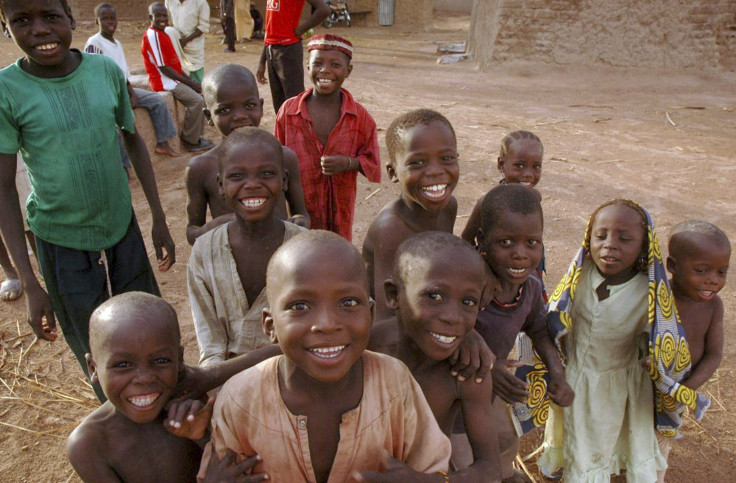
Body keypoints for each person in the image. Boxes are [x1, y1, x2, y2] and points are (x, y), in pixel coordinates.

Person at [0, 0, 175, 401]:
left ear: (72, 20)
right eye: (21, 21)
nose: (39, 30)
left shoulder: (105, 72)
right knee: (90, 338)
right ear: (6, 28)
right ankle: (118, 413)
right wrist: (30, 282)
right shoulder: (7, 91)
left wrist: (158, 219)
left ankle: (162, 404)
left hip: (120, 225)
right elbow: (3, 187)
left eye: (51, 17)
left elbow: (131, 137)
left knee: (146, 320)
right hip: (59, 239)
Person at [197, 230, 452, 481]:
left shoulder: (394, 383)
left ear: (371, 315)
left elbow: (435, 470)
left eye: (348, 303)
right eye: (300, 306)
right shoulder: (239, 400)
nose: (327, 324)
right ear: (270, 326)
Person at [538, 200, 710, 482]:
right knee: (576, 446)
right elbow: (554, 319)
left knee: (611, 447)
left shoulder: (648, 294)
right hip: (575, 382)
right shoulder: (578, 279)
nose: (610, 245)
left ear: (644, 246)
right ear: (588, 238)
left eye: (625, 238)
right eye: (600, 235)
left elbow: (667, 344)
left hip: (620, 390)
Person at [370, 232, 503, 482]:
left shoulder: (466, 372)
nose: (452, 316)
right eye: (434, 296)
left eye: (468, 301)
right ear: (393, 295)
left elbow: (490, 467)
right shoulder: (368, 346)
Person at [468, 184, 573, 482]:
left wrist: (557, 372)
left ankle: (501, 474)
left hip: (488, 386)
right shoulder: (470, 282)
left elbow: (538, 328)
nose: (520, 254)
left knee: (504, 439)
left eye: (532, 243)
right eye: (506, 242)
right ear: (482, 241)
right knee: (461, 452)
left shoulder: (530, 287)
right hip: (449, 383)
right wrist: (490, 365)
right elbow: (452, 330)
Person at [188, 128, 306, 367]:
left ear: (283, 180)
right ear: (220, 185)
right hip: (225, 377)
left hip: (296, 371)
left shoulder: (307, 249)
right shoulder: (204, 252)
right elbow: (211, 348)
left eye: (266, 173)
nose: (252, 185)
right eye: (237, 176)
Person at [66, 292, 206, 481]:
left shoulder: (192, 407)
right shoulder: (89, 445)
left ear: (179, 360)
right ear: (93, 368)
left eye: (161, 360)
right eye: (123, 365)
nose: (144, 379)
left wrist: (202, 436)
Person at [186, 63, 310, 246]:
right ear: (208, 116)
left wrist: (299, 223)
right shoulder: (201, 167)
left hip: (281, 256)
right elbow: (192, 232)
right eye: (225, 110)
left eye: (249, 105)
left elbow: (301, 214)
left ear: (260, 106)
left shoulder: (284, 157)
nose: (239, 116)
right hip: (231, 259)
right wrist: (215, 227)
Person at [275, 34, 380, 241]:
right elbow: (275, 160)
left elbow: (373, 163)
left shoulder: (360, 117)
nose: (325, 70)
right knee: (299, 253)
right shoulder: (288, 112)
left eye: (335, 64)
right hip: (299, 211)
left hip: (340, 210)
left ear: (348, 71)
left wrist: (348, 163)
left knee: (337, 254)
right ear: (307, 67)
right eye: (318, 63)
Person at [363, 109, 459, 321]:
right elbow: (386, 316)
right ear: (392, 173)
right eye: (417, 163)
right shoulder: (391, 228)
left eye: (447, 158)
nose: (435, 171)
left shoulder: (448, 207)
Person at [656, 220, 730, 482]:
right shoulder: (658, 299)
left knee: (661, 438)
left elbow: (714, 353)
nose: (713, 280)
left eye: (722, 272)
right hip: (644, 383)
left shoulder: (713, 307)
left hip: (679, 388)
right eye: (701, 270)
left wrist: (689, 387)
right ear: (672, 266)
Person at [85, 2, 180, 159]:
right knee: (122, 124)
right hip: (106, 93)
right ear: (97, 21)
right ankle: (124, 167)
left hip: (121, 89)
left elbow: (123, 75)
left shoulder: (117, 43)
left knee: (157, 101)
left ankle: (163, 143)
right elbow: (92, 76)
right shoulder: (94, 43)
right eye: (105, 19)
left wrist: (131, 93)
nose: (110, 22)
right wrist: (122, 97)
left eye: (112, 18)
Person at [141, 1, 212, 153]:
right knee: (197, 101)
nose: (162, 19)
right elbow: (164, 68)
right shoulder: (153, 35)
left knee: (201, 95)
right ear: (150, 17)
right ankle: (189, 140)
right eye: (158, 16)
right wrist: (189, 83)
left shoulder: (163, 34)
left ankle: (196, 136)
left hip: (172, 80)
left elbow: (174, 66)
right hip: (164, 82)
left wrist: (191, 81)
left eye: (164, 15)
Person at [256, 0, 329, 114]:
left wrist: (301, 29)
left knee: (294, 101)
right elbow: (270, 30)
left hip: (288, 50)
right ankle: (283, 131)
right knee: (279, 103)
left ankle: (299, 131)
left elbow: (323, 10)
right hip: (271, 50)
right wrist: (262, 61)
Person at [165, 0, 209, 83]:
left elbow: (203, 27)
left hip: (194, 42)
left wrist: (185, 40)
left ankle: (196, 90)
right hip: (175, 40)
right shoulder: (170, 1)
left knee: (196, 68)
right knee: (174, 67)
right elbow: (167, 21)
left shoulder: (201, 2)